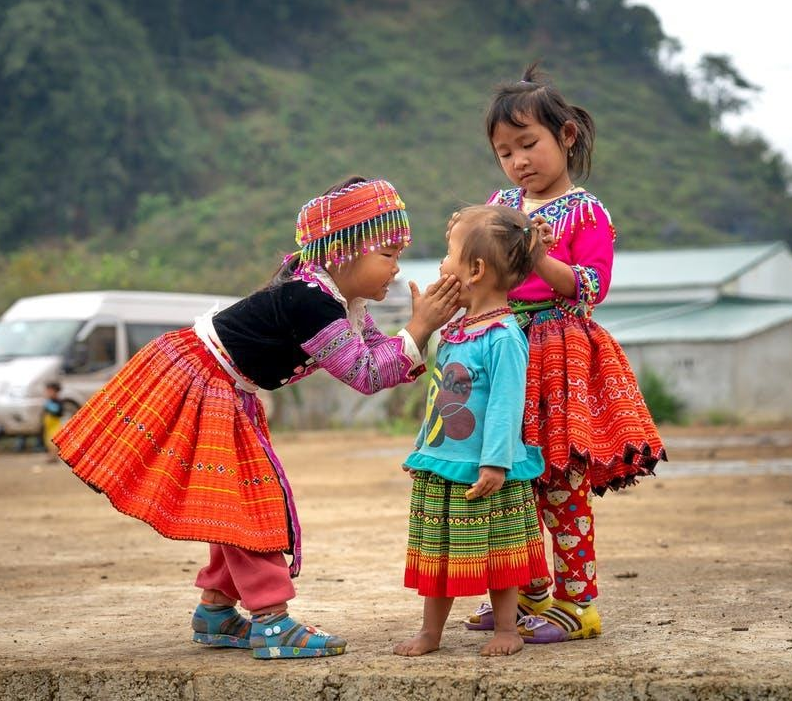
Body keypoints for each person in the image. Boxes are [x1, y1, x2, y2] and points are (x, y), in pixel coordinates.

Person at [53, 177, 460, 660]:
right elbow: (368, 374)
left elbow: (378, 356)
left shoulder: (338, 301)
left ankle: (217, 612)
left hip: (216, 384)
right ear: (345, 251)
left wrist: (422, 330)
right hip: (202, 381)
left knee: (234, 500)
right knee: (251, 501)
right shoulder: (311, 302)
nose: (395, 268)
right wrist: (420, 327)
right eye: (388, 255)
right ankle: (271, 621)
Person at [462, 64, 667, 643]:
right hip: (502, 348)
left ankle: (579, 606)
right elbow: (482, 265)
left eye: (528, 144)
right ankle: (528, 597)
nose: (518, 161)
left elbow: (587, 288)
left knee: (558, 482)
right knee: (511, 480)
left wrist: (532, 251)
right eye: (505, 152)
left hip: (557, 355)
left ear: (566, 137)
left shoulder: (586, 212)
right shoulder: (500, 204)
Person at [395, 205, 548, 658]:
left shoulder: (503, 336)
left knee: (501, 555)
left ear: (476, 270)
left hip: (487, 469)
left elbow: (505, 405)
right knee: (440, 554)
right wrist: (423, 449)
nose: (442, 265)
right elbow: (440, 395)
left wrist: (496, 462)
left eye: (448, 254)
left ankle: (507, 628)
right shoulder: (457, 329)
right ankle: (430, 632)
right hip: (447, 464)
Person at [41, 381, 64, 463]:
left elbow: (59, 412)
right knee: (47, 441)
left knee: (53, 441)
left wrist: (51, 407)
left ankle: (54, 456)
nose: (48, 393)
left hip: (55, 424)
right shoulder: (48, 401)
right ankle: (51, 455)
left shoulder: (58, 401)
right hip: (48, 425)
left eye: (50, 391)